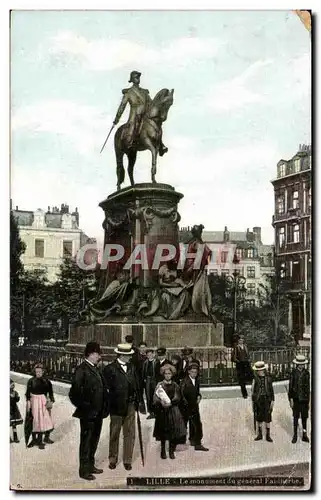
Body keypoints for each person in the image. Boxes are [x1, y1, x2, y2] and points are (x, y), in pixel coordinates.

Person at [69, 341, 109, 481]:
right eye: (98, 353)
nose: (99, 356)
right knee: (86, 442)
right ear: (91, 354)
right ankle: (84, 471)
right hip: (88, 414)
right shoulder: (82, 369)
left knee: (94, 440)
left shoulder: (95, 368)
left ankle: (91, 466)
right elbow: (74, 394)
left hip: (98, 413)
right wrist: (86, 407)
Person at [103, 343, 145, 471]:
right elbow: (106, 389)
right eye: (128, 355)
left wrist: (139, 401)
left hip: (131, 405)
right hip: (116, 406)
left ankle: (127, 460)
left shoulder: (132, 367)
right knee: (115, 433)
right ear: (121, 355)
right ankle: (113, 459)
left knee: (130, 433)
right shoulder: (110, 368)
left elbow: (138, 385)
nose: (130, 358)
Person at [113, 70, 168, 156]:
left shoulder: (144, 92)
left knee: (156, 126)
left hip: (145, 115)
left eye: (138, 77)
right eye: (136, 77)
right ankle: (130, 143)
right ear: (132, 79)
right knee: (132, 128)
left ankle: (161, 144)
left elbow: (151, 103)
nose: (138, 79)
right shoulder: (128, 93)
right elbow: (122, 107)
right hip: (134, 116)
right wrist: (116, 119)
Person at [153, 364, 186, 459]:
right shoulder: (160, 385)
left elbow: (178, 396)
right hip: (162, 411)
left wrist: (171, 403)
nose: (167, 375)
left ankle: (171, 450)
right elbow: (155, 397)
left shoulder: (175, 385)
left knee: (173, 432)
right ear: (163, 374)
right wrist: (161, 402)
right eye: (166, 373)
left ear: (172, 375)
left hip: (173, 410)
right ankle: (163, 450)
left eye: (169, 374)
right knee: (163, 431)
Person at [25, 364, 55, 449]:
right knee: (34, 420)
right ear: (34, 372)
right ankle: (34, 440)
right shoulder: (31, 381)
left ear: (43, 372)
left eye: (40, 371)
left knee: (43, 420)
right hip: (34, 401)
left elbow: (51, 393)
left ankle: (41, 440)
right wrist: (28, 402)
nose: (38, 373)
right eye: (36, 371)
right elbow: (28, 393)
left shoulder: (47, 381)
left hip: (43, 401)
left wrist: (51, 401)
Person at [180, 364, 209, 451]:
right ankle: (188, 442)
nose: (194, 374)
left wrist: (199, 396)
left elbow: (197, 392)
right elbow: (181, 395)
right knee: (188, 424)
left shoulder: (196, 380)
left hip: (194, 406)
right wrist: (186, 405)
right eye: (192, 372)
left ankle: (195, 441)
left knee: (196, 424)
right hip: (187, 407)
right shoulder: (184, 382)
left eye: (195, 372)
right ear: (188, 372)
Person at [288, 354, 310, 443]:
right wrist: (291, 399)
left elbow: (308, 387)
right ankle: (295, 435)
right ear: (297, 364)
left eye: (303, 364)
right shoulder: (293, 373)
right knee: (296, 417)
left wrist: (308, 401)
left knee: (304, 417)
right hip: (296, 399)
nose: (302, 366)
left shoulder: (306, 373)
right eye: (300, 364)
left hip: (304, 399)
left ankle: (304, 434)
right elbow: (290, 387)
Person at [251, 361, 274, 442]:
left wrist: (272, 401)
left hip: (267, 399)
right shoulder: (255, 379)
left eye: (260, 370)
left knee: (268, 416)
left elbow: (271, 390)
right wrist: (253, 401)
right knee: (259, 416)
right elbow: (253, 391)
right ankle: (260, 434)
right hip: (258, 399)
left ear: (264, 370)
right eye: (258, 371)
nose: (259, 372)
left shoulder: (268, 378)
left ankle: (268, 435)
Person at [142, 349, 157, 419]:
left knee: (155, 395)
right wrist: (144, 379)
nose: (149, 356)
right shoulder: (145, 362)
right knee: (148, 396)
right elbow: (143, 372)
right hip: (148, 380)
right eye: (148, 355)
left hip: (154, 380)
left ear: (153, 354)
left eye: (151, 354)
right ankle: (150, 412)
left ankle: (156, 412)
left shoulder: (156, 362)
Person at [10, 379, 23, 443]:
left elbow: (17, 400)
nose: (13, 386)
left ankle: (15, 437)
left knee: (14, 424)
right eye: (11, 385)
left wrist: (16, 397)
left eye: (13, 385)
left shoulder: (15, 392)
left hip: (14, 409)